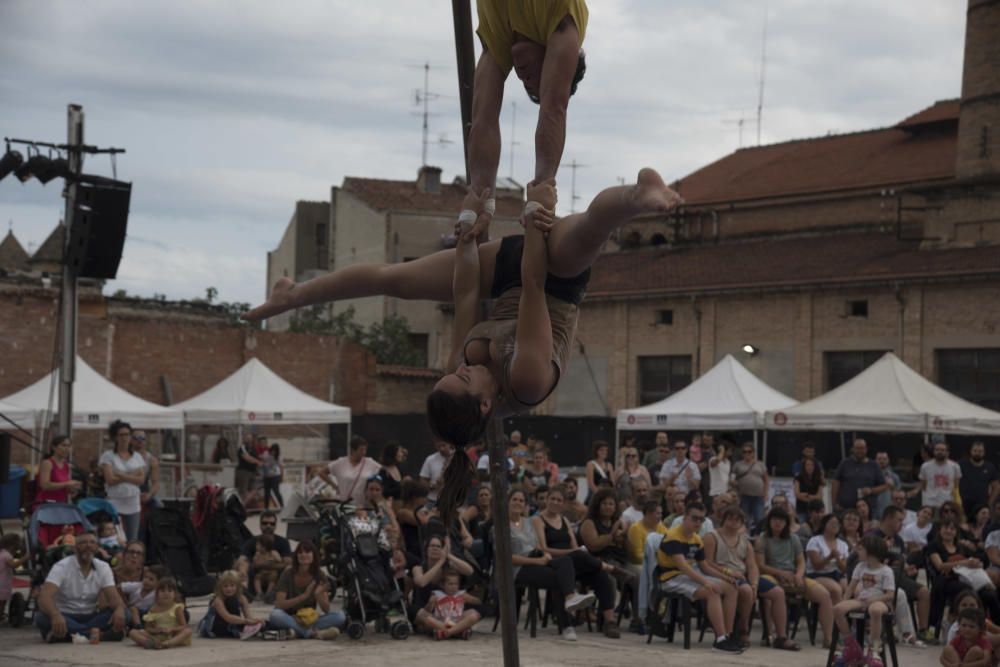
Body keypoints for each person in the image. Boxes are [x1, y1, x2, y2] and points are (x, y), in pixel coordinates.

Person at [248, 173, 682, 512]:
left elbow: (466, 295)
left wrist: (469, 231)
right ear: (486, 404)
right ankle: (637, 198)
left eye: (452, 373)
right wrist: (535, 214)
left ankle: (294, 296)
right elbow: (534, 285)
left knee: (394, 279)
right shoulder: (527, 382)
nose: (459, 368)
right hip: (554, 283)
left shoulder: (463, 368)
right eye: (462, 378)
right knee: (587, 229)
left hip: (504, 276)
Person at [463, 0, 589, 244]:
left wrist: (480, 200)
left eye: (524, 82)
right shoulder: (564, 14)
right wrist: (541, 194)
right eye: (535, 78)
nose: (521, 75)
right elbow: (553, 107)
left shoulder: (497, 31)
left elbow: (483, 119)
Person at [703, 506, 799, 651]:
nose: (733, 522)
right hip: (722, 574)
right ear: (724, 519)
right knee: (746, 591)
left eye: (738, 520)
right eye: (730, 518)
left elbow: (753, 566)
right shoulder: (712, 537)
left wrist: (755, 583)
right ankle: (743, 628)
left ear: (742, 523)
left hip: (743, 575)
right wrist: (728, 571)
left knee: (778, 593)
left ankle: (781, 637)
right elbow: (707, 562)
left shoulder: (745, 541)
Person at [506, 489, 595, 641]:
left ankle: (570, 598)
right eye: (514, 499)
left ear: (526, 505)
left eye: (521, 500)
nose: (518, 503)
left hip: (537, 560)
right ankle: (567, 625)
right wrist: (537, 560)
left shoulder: (527, 523)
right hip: (517, 569)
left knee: (566, 561)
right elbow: (507, 558)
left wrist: (543, 554)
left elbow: (538, 546)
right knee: (561, 578)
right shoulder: (501, 526)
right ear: (507, 502)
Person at [532, 484, 620, 638]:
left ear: (564, 503)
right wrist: (573, 552)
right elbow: (544, 549)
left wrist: (576, 552)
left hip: (573, 560)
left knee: (602, 577)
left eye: (559, 500)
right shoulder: (538, 520)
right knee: (575, 558)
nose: (555, 502)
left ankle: (609, 621)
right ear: (546, 500)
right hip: (554, 562)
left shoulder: (564, 520)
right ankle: (610, 567)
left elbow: (574, 545)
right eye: (552, 499)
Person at [656, 502, 743, 654]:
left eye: (701, 520)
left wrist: (725, 577)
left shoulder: (697, 539)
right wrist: (706, 582)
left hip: (686, 576)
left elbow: (705, 567)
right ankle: (720, 640)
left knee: (732, 587)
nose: (698, 522)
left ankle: (728, 635)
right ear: (685, 518)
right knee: (712, 591)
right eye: (694, 518)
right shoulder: (673, 536)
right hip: (670, 578)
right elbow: (683, 566)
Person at [755, 507, 834, 647]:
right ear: (769, 521)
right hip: (771, 574)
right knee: (771, 593)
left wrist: (798, 575)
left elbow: (801, 561)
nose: (777, 523)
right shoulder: (763, 538)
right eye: (774, 520)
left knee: (824, 595)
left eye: (781, 520)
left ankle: (828, 639)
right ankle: (773, 635)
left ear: (787, 522)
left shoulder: (794, 538)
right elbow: (760, 565)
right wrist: (779, 573)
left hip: (792, 575)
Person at [34, 531, 129, 643]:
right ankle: (101, 635)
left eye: (92, 542)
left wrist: (119, 608)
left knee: (126, 614)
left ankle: (68, 636)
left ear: (97, 547)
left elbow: (114, 598)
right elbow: (44, 597)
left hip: (91, 616)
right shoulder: (61, 566)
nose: (88, 545)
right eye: (83, 542)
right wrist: (55, 615)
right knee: (41, 618)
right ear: (75, 548)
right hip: (65, 616)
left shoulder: (103, 567)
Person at [869, 505, 932, 645]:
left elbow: (900, 561)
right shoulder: (872, 536)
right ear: (888, 519)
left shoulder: (898, 540)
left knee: (924, 592)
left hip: (898, 576)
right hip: (879, 579)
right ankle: (901, 633)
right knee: (899, 592)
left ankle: (922, 630)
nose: (902, 524)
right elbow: (867, 563)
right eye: (899, 520)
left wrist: (908, 569)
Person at [579, 488, 639, 631]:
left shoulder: (618, 522)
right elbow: (593, 545)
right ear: (597, 505)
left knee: (638, 577)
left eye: (611, 504)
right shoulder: (589, 523)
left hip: (620, 561)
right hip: (599, 563)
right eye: (604, 503)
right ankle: (608, 621)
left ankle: (638, 619)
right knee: (609, 579)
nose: (608, 507)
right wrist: (612, 535)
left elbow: (630, 551)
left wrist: (625, 535)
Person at [833, 535, 895, 667]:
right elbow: (851, 587)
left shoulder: (886, 571)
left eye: (860, 549)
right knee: (837, 609)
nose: (857, 552)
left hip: (881, 601)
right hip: (862, 599)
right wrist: (844, 602)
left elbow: (890, 595)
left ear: (871, 552)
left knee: (875, 610)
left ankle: (874, 649)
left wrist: (874, 599)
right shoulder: (860, 566)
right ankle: (851, 645)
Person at [928, 519, 1000, 631]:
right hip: (945, 580)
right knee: (967, 590)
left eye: (952, 529)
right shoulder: (933, 546)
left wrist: (976, 564)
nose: (948, 531)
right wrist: (963, 563)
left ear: (956, 532)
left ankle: (994, 627)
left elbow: (977, 562)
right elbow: (940, 566)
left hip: (967, 579)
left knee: (990, 594)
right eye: (946, 528)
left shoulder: (961, 547)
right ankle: (959, 623)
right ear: (940, 530)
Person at [267, 541, 344, 640]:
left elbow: (326, 610)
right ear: (296, 556)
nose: (303, 554)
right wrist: (303, 596)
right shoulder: (288, 573)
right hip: (289, 618)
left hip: (308, 619)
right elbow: (279, 604)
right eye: (300, 552)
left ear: (314, 556)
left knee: (340, 617)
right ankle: (311, 633)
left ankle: (298, 632)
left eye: (307, 552)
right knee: (275, 615)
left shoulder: (319, 575)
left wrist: (318, 594)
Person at [100, 420, 146, 541]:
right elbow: (110, 480)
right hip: (115, 500)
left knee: (132, 538)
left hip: (133, 502)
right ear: (115, 437)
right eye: (121, 435)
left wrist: (121, 474)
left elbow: (141, 480)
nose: (124, 438)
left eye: (127, 434)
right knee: (114, 537)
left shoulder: (137, 456)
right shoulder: (108, 456)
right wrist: (132, 475)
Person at [415, 569, 481, 640]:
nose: (453, 587)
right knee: (424, 616)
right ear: (442, 585)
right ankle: (458, 632)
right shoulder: (437, 594)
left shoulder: (461, 594)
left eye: (456, 584)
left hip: (457, 621)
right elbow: (428, 611)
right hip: (440, 621)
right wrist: (431, 603)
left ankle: (447, 632)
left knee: (474, 614)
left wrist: (471, 599)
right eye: (450, 584)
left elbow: (478, 602)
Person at [240, 510, 292, 600]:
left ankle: (274, 593)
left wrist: (264, 565)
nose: (268, 526)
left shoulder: (283, 542)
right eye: (265, 523)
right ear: (260, 524)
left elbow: (287, 563)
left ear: (275, 525)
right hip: (256, 578)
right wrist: (243, 570)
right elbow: (242, 559)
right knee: (242, 566)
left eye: (272, 524)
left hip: (275, 578)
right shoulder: (251, 542)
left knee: (288, 569)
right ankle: (246, 591)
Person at [128, 576, 192, 649]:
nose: (166, 593)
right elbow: (148, 628)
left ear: (175, 594)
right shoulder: (153, 609)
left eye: (170, 591)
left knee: (187, 631)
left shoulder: (177, 608)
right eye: (162, 591)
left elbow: (183, 626)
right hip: (157, 636)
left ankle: (167, 644)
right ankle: (148, 642)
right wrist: (156, 630)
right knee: (133, 632)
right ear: (157, 594)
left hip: (173, 635)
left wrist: (171, 629)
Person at [319, 435, 381, 506]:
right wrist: (335, 486)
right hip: (345, 504)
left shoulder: (370, 462)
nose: (364, 452)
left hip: (363, 505)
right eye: (361, 450)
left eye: (365, 449)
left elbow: (383, 471)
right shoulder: (340, 462)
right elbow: (322, 473)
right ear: (353, 450)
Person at [200, 570, 264, 639]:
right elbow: (228, 617)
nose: (229, 589)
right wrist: (247, 621)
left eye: (232, 585)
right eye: (225, 586)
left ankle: (242, 630)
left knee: (263, 624)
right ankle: (237, 630)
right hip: (215, 627)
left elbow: (248, 617)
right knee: (232, 601)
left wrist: (256, 621)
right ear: (220, 588)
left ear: (237, 586)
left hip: (233, 622)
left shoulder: (242, 598)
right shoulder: (218, 600)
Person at [830, 438, 885, 514]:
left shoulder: (874, 465)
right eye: (857, 448)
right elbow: (835, 482)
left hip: (866, 511)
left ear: (866, 449)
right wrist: (834, 503)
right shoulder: (845, 463)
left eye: (862, 448)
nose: (859, 451)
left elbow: (884, 486)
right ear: (853, 449)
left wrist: (871, 490)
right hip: (844, 509)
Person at [805, 514, 848, 604]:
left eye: (837, 524)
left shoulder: (843, 544)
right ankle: (839, 616)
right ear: (824, 524)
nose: (835, 525)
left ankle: (845, 613)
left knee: (849, 587)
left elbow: (844, 569)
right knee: (836, 589)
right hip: (817, 574)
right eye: (832, 523)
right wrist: (829, 557)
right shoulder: (815, 541)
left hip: (836, 574)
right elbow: (816, 566)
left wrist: (838, 559)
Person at [914, 441, 963, 510]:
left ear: (947, 452)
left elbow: (956, 485)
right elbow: (923, 485)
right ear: (934, 452)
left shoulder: (955, 466)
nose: (939, 452)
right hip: (929, 503)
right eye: (937, 450)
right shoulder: (925, 466)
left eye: (942, 450)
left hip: (947, 503)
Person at [36, 435, 82, 506]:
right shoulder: (47, 463)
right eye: (64, 445)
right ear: (54, 447)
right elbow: (44, 485)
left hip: (61, 504)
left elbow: (63, 487)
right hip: (47, 504)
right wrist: (67, 483)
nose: (67, 448)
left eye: (69, 446)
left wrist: (72, 490)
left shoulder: (66, 465)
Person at [960, 442, 999, 524]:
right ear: (970, 451)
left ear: (984, 452)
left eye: (980, 451)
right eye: (975, 451)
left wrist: (989, 503)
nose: (977, 453)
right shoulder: (961, 464)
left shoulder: (990, 467)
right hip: (963, 504)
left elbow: (996, 487)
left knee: (982, 528)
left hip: (982, 505)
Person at [732, 443, 768, 530]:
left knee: (759, 519)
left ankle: (759, 538)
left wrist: (765, 493)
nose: (747, 454)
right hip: (744, 496)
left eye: (749, 451)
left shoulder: (760, 464)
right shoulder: (737, 464)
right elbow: (732, 478)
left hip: (758, 496)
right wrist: (733, 483)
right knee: (744, 520)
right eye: (745, 452)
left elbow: (766, 479)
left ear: (753, 453)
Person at [130, 429, 161, 511]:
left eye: (142, 438)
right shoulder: (125, 456)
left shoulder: (151, 460)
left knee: (158, 505)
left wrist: (149, 495)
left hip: (144, 492)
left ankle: (151, 523)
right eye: (136, 438)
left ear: (145, 441)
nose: (139, 441)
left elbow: (155, 483)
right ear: (131, 440)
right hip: (127, 491)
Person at [0, 533, 25, 625]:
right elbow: (14, 565)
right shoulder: (7, 555)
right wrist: (25, 558)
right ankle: (0, 615)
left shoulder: (1, 553)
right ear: (12, 546)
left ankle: (1, 615)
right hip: (3, 583)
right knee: (2, 602)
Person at [793, 458, 824, 524]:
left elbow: (819, 496)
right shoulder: (798, 478)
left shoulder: (819, 478)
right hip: (801, 509)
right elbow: (797, 494)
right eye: (807, 465)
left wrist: (806, 495)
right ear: (804, 466)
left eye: (812, 465)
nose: (810, 467)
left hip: (816, 510)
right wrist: (812, 497)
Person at [234, 433, 262, 507]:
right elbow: (247, 458)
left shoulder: (253, 448)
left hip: (252, 472)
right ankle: (241, 507)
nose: (249, 440)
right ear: (244, 439)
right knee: (243, 490)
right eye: (247, 438)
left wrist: (258, 464)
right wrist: (257, 461)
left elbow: (257, 458)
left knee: (254, 490)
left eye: (250, 438)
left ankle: (245, 505)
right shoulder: (242, 448)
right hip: (244, 471)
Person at [874, 451, 901, 522]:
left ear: (888, 460)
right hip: (873, 512)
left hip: (889, 512)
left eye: (884, 459)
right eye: (879, 459)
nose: (882, 461)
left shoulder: (895, 477)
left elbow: (899, 495)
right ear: (875, 460)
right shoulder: (870, 476)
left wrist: (892, 487)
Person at [708, 441, 733, 507]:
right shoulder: (712, 459)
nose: (731, 452)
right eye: (729, 450)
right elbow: (716, 462)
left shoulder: (728, 462)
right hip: (716, 493)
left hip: (725, 492)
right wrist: (722, 451)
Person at [260, 443, 283, 510]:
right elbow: (261, 459)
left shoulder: (278, 457)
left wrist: (281, 476)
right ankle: (266, 508)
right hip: (267, 476)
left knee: (276, 491)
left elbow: (281, 467)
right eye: (272, 450)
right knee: (267, 492)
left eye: (275, 451)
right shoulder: (266, 454)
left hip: (275, 476)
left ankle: (282, 506)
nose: (273, 452)